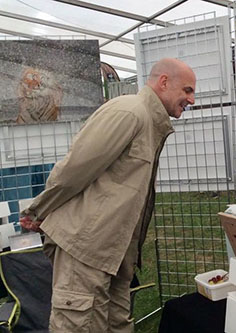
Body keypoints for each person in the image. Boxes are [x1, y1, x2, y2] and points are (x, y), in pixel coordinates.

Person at [19, 58, 196, 331]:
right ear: (163, 82)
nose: (192, 99)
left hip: (112, 253)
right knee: (80, 325)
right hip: (86, 250)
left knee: (116, 324)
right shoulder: (129, 112)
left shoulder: (147, 120)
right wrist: (38, 210)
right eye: (187, 90)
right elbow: (75, 169)